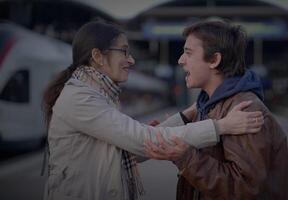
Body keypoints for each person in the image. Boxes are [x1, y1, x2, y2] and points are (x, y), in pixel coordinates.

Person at [41, 20, 264, 200]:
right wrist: (221, 126)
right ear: (98, 56)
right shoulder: (81, 98)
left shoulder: (99, 94)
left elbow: (133, 149)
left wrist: (186, 115)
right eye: (124, 52)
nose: (131, 59)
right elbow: (143, 141)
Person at [145, 20, 288, 200]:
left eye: (188, 53)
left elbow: (245, 189)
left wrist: (186, 158)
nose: (181, 60)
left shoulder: (245, 110)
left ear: (214, 60)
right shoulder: (207, 106)